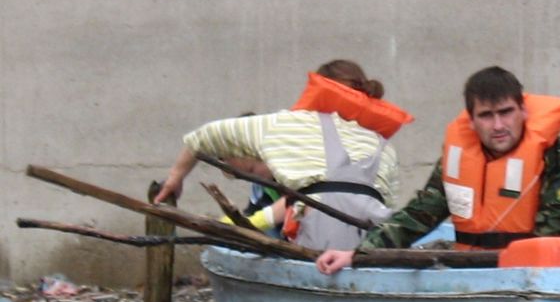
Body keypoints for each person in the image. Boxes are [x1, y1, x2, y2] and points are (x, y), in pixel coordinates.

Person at [316, 66, 560, 273]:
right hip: (475, 271)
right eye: (486, 115)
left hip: (543, 276)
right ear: (471, 121)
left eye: (506, 112)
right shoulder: (457, 161)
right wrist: (359, 254)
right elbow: (418, 215)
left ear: (523, 111)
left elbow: (556, 237)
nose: (498, 126)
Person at [154, 60, 409, 250]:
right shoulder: (383, 146)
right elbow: (388, 202)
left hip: (316, 231)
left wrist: (175, 177)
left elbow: (203, 137)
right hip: (372, 237)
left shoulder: (288, 123)